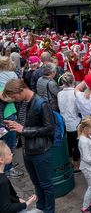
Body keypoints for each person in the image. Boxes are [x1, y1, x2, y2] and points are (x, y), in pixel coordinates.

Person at [2, 79, 56, 213]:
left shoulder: (41, 103)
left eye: (14, 97)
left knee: (46, 184)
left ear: (21, 91)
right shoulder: (22, 102)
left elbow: (49, 129)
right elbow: (24, 123)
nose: (14, 100)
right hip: (28, 151)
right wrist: (13, 125)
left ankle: (49, 210)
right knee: (37, 183)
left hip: (41, 151)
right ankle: (41, 207)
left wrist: (23, 130)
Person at [0, 56, 23, 179]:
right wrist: (17, 95)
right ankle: (8, 168)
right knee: (8, 143)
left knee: (6, 143)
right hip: (6, 118)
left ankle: (8, 163)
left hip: (7, 116)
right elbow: (4, 97)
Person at [0, 140, 37, 213]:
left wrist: (17, 200)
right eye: (10, 154)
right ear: (1, 160)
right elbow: (5, 208)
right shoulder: (2, 181)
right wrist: (26, 203)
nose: (12, 154)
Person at [57, 72, 81, 172]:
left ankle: (70, 162)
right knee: (76, 145)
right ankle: (76, 165)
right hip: (75, 122)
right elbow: (79, 109)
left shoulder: (59, 93)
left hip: (64, 122)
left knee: (68, 144)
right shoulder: (75, 93)